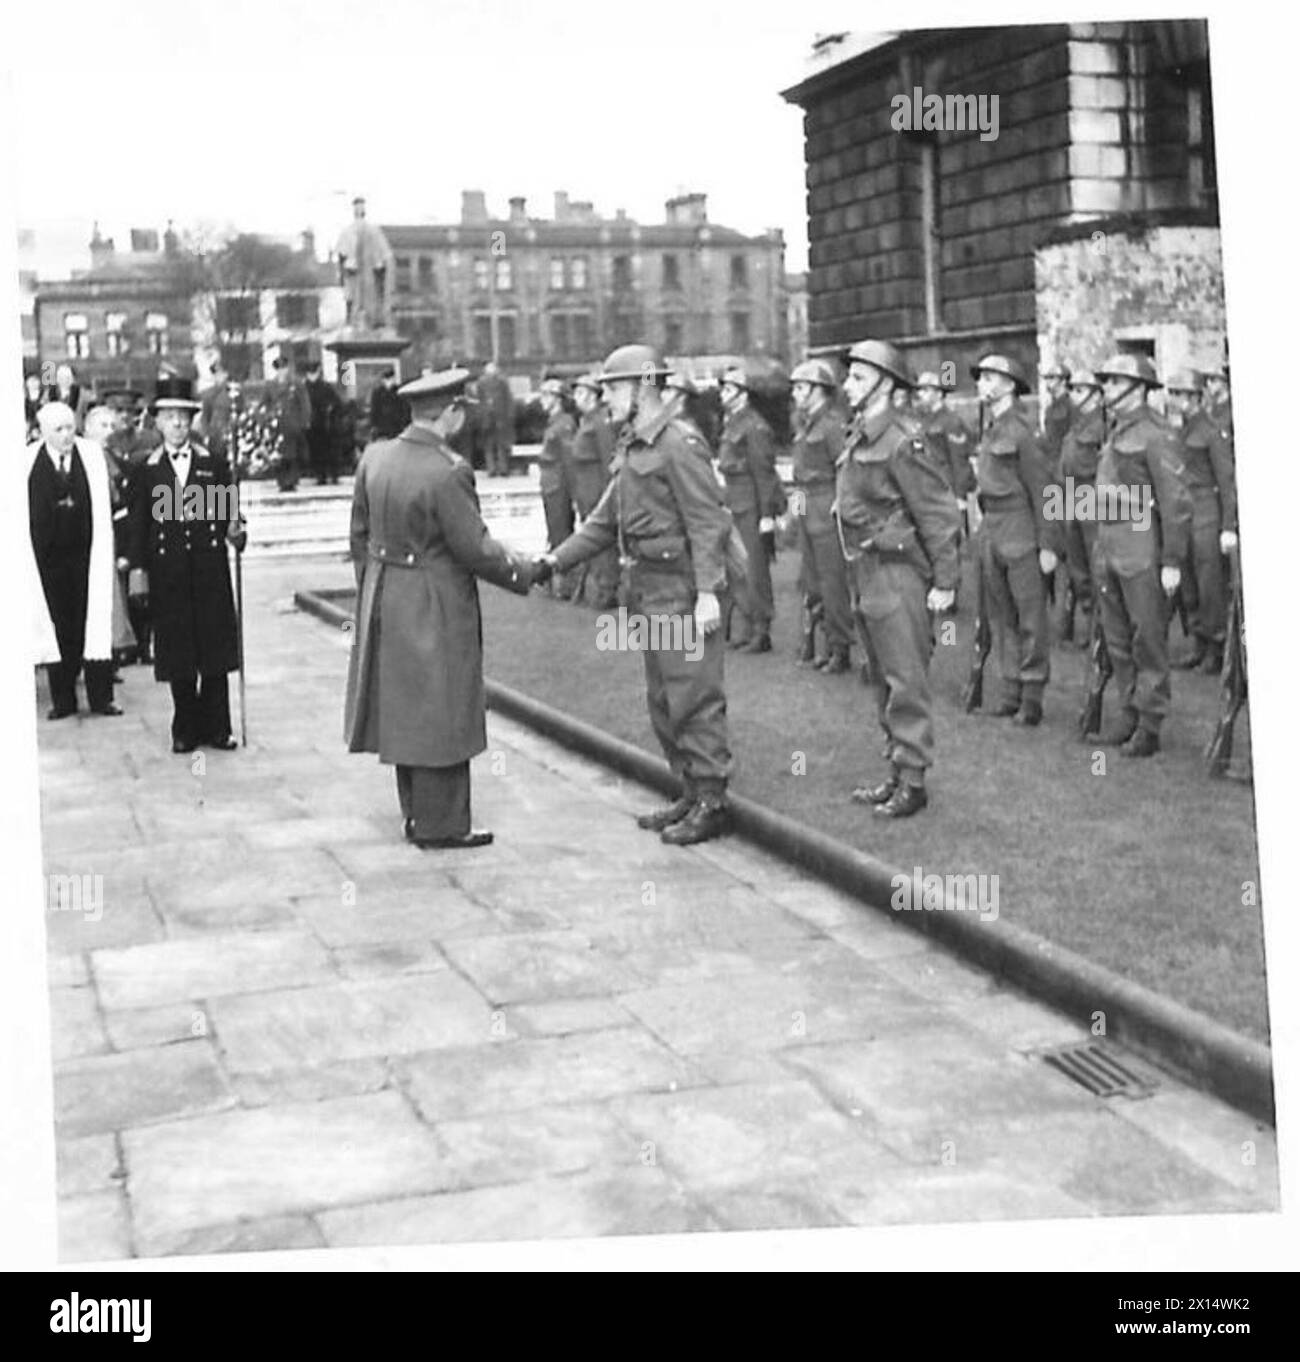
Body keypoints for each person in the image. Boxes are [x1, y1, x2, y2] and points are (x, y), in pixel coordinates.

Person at [536, 344, 735, 846]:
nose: (606, 398)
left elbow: (707, 521)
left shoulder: (678, 443)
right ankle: (690, 791)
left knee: (693, 698)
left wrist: (709, 593)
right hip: (647, 590)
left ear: (644, 387)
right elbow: (603, 523)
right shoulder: (634, 446)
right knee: (664, 701)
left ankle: (712, 800)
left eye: (614, 387)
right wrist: (552, 561)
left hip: (681, 590)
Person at [344, 368, 533, 849]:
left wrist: (375, 588)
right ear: (448, 414)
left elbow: (359, 536)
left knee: (406, 710)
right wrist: (526, 571)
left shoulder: (375, 457)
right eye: (460, 411)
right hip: (435, 597)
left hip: (386, 592)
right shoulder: (447, 470)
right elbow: (475, 549)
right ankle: (444, 824)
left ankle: (415, 815)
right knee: (444, 706)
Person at [835, 340, 960, 818]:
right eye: (849, 378)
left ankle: (913, 781)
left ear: (886, 384)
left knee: (906, 678)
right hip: (865, 570)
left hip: (897, 573)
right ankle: (895, 770)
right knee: (883, 678)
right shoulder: (861, 436)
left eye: (859, 378)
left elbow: (938, 514)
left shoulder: (904, 441)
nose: (849, 385)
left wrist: (945, 583)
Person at [126, 375, 247, 753]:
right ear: (157, 423)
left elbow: (231, 517)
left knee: (213, 649)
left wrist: (238, 530)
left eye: (183, 416)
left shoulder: (214, 465)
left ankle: (219, 726)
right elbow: (138, 527)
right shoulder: (146, 470)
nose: (177, 424)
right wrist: (138, 574)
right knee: (179, 652)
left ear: (191, 420)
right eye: (169, 417)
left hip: (209, 569)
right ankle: (185, 728)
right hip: (170, 574)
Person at [1090, 354, 1192, 756]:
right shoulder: (1116, 431)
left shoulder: (1156, 433)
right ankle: (1128, 710)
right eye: (1108, 383)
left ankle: (1150, 722)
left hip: (1141, 542)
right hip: (1110, 540)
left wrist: (1171, 560)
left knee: (1146, 636)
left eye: (1115, 383)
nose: (1108, 390)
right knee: (1116, 636)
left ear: (1138, 389)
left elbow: (1175, 501)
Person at [970, 353, 1059, 727]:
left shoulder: (1023, 433)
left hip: (1020, 529)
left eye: (989, 377)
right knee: (1001, 616)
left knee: (1030, 618)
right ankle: (1010, 690)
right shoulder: (990, 429)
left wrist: (1049, 545)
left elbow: (1046, 492)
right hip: (993, 529)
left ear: (1008, 385)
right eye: (982, 377)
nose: (981, 383)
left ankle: (1032, 696)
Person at [28, 402, 122, 718]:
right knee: (58, 627)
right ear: (43, 432)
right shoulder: (28, 461)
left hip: (86, 556)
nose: (67, 435)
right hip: (49, 563)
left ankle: (101, 697)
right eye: (59, 430)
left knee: (92, 623)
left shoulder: (91, 455)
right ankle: (63, 699)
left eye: (70, 427)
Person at [1164, 368, 1237, 674]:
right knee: (1188, 581)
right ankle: (1198, 641)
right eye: (1175, 394)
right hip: (1184, 511)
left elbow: (1227, 479)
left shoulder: (1210, 431)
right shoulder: (1179, 430)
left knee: (1210, 583)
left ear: (1195, 397)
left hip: (1206, 509)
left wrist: (1228, 526)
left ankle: (1216, 646)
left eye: (1181, 394)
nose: (1176, 400)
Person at [789, 358, 853, 674]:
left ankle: (840, 648)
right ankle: (823, 642)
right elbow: (799, 474)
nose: (796, 394)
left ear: (819, 390)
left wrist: (840, 502)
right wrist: (795, 513)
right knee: (812, 580)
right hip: (807, 502)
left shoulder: (831, 424)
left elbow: (844, 467)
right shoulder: (805, 424)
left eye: (801, 387)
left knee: (832, 581)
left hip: (826, 502)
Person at [716, 364, 786, 653]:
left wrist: (767, 515)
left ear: (743, 395)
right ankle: (745, 628)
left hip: (752, 507)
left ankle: (761, 630)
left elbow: (764, 473)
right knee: (738, 571)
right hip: (735, 503)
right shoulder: (732, 423)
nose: (723, 394)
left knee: (755, 571)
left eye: (729, 389)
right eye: (723, 388)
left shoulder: (755, 427)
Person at [1056, 369, 1106, 647]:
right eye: (1072, 389)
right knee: (1076, 566)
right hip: (1069, 495)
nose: (1073, 394)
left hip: (1091, 496)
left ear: (1095, 394)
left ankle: (1101, 627)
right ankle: (1088, 619)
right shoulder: (1076, 423)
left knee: (1095, 562)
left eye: (1079, 389)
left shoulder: (1104, 423)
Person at [568, 372, 619, 608]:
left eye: (579, 392)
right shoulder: (587, 420)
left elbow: (608, 457)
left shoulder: (599, 422)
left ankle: (607, 591)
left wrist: (607, 496)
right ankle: (601, 588)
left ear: (591, 395)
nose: (575, 397)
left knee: (602, 546)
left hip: (597, 492)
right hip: (586, 491)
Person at [535, 377, 578, 600]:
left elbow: (569, 460)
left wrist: (573, 493)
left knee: (561, 534)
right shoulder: (556, 423)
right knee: (555, 533)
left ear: (557, 399)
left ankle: (565, 584)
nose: (542, 400)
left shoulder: (564, 425)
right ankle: (559, 582)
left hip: (559, 487)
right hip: (552, 485)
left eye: (546, 396)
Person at [265, 356, 310, 491]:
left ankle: (292, 480)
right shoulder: (270, 386)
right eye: (279, 369)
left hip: (293, 423)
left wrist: (304, 420)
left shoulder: (296, 384)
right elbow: (265, 404)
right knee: (279, 454)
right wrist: (267, 417)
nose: (282, 372)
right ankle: (282, 481)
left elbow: (304, 403)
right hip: (277, 425)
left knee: (293, 454)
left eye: (284, 368)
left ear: (288, 369)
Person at [304, 360, 343, 484]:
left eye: (314, 373)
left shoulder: (325, 387)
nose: (312, 376)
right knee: (316, 451)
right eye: (310, 373)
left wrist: (330, 409)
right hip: (312, 424)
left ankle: (334, 474)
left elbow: (337, 403)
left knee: (330, 451)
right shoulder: (304, 388)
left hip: (326, 424)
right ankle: (320, 475)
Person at [477, 361, 516, 477]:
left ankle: (502, 468)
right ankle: (492, 468)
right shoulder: (481, 383)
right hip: (488, 418)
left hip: (500, 417)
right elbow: (480, 400)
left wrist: (509, 415)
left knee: (500, 444)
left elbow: (508, 399)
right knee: (489, 445)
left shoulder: (502, 382)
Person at [1039, 361, 1073, 468]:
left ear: (1063, 381)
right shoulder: (1050, 408)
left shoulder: (1071, 405)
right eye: (1047, 378)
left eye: (1052, 378)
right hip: (1051, 462)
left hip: (1066, 464)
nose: (1048, 382)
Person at [368, 368, 409, 440]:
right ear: (383, 380)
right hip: (383, 427)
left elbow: (404, 408)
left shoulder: (399, 391)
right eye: (387, 379)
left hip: (397, 426)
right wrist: (374, 425)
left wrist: (404, 424)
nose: (389, 381)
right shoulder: (378, 392)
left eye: (391, 379)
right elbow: (374, 410)